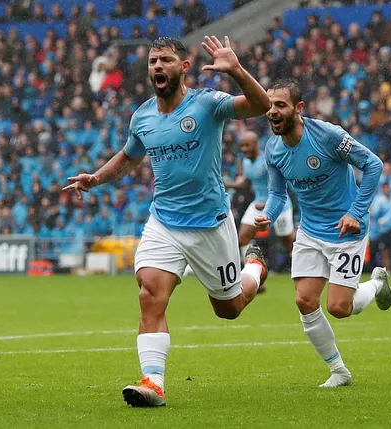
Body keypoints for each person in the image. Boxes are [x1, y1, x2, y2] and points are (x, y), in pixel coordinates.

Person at [63, 36, 271, 407]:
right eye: (153, 61)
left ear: (183, 68)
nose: (158, 66)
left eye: (166, 60)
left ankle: (253, 269)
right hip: (164, 222)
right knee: (150, 294)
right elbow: (129, 157)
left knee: (230, 308)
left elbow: (260, 105)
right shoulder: (142, 116)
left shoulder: (207, 103)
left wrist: (236, 70)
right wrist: (96, 178)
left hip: (209, 224)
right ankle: (153, 383)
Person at [254, 79, 391, 388]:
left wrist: (356, 212)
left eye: (280, 106)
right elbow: (278, 194)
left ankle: (376, 284)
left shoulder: (327, 135)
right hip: (310, 230)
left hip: (347, 230)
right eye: (269, 105)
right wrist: (269, 215)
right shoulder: (273, 149)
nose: (272, 112)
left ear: (298, 108)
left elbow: (372, 165)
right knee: (304, 300)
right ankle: (339, 371)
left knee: (339, 308)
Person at [225, 130, 296, 261]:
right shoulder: (246, 162)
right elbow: (247, 184)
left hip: (280, 205)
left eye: (247, 145)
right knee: (243, 238)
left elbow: (276, 189)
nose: (244, 149)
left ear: (255, 144)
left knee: (287, 241)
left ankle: (300, 255)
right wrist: (228, 185)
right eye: (242, 146)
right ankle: (253, 272)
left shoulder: (266, 161)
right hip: (258, 203)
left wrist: (266, 204)